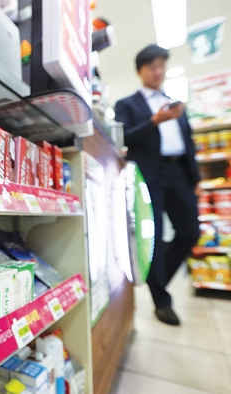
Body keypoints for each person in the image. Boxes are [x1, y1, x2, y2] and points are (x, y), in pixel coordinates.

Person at [115, 44, 200, 326]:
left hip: (179, 173)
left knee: (190, 231)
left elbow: (188, 143)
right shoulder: (128, 104)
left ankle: (157, 273)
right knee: (155, 234)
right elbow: (125, 136)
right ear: (140, 70)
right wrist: (155, 121)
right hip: (149, 174)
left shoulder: (175, 104)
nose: (158, 71)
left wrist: (195, 179)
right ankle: (161, 300)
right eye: (152, 66)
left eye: (162, 65)